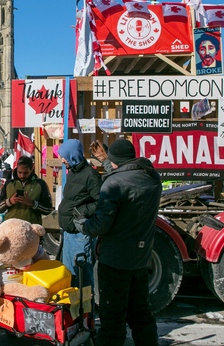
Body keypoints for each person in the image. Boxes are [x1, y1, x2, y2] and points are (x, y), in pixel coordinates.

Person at [76, 139, 161, 346]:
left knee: (112, 318)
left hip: (114, 260)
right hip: (140, 259)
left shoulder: (113, 184)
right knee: (140, 314)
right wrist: (108, 162)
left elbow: (102, 224)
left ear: (115, 161)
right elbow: (127, 180)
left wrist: (83, 225)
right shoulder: (152, 177)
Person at [57, 139, 100, 290]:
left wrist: (82, 212)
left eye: (65, 156)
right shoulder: (73, 173)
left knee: (83, 276)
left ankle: (87, 312)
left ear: (73, 155)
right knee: (70, 275)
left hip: (81, 234)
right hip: (69, 233)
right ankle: (74, 311)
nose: (62, 160)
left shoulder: (90, 175)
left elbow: (101, 202)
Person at [0, 156, 53, 225]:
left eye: (25, 173)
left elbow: (49, 209)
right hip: (11, 228)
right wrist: (9, 201)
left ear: (31, 170)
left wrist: (32, 203)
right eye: (19, 172)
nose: (22, 175)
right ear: (16, 169)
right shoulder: (8, 184)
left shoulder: (40, 184)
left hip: (32, 228)